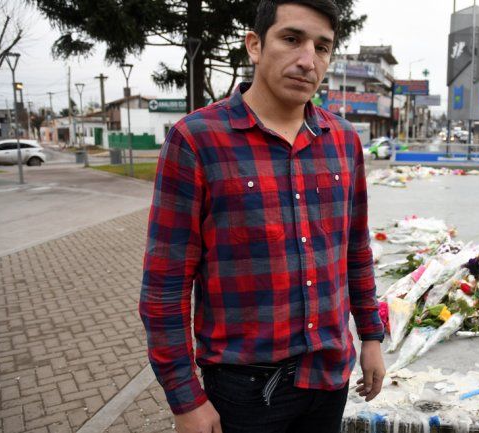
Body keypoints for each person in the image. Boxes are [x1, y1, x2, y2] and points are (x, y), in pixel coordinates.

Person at [139, 1, 385, 432]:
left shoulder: (344, 141)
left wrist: (371, 336)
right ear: (255, 45)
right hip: (243, 389)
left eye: (322, 47)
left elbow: (356, 250)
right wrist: (185, 399)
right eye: (291, 39)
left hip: (329, 375)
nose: (307, 60)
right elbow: (165, 285)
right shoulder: (196, 141)